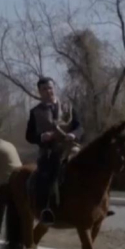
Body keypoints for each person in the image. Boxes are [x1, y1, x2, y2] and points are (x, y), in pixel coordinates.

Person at [25, 77, 83, 225]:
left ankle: (95, 204)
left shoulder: (67, 107)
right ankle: (47, 210)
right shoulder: (35, 112)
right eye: (44, 89)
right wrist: (41, 137)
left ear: (54, 88)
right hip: (50, 151)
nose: (48, 91)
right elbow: (29, 136)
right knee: (47, 176)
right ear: (39, 92)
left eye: (50, 88)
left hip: (71, 148)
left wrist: (73, 134)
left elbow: (79, 127)